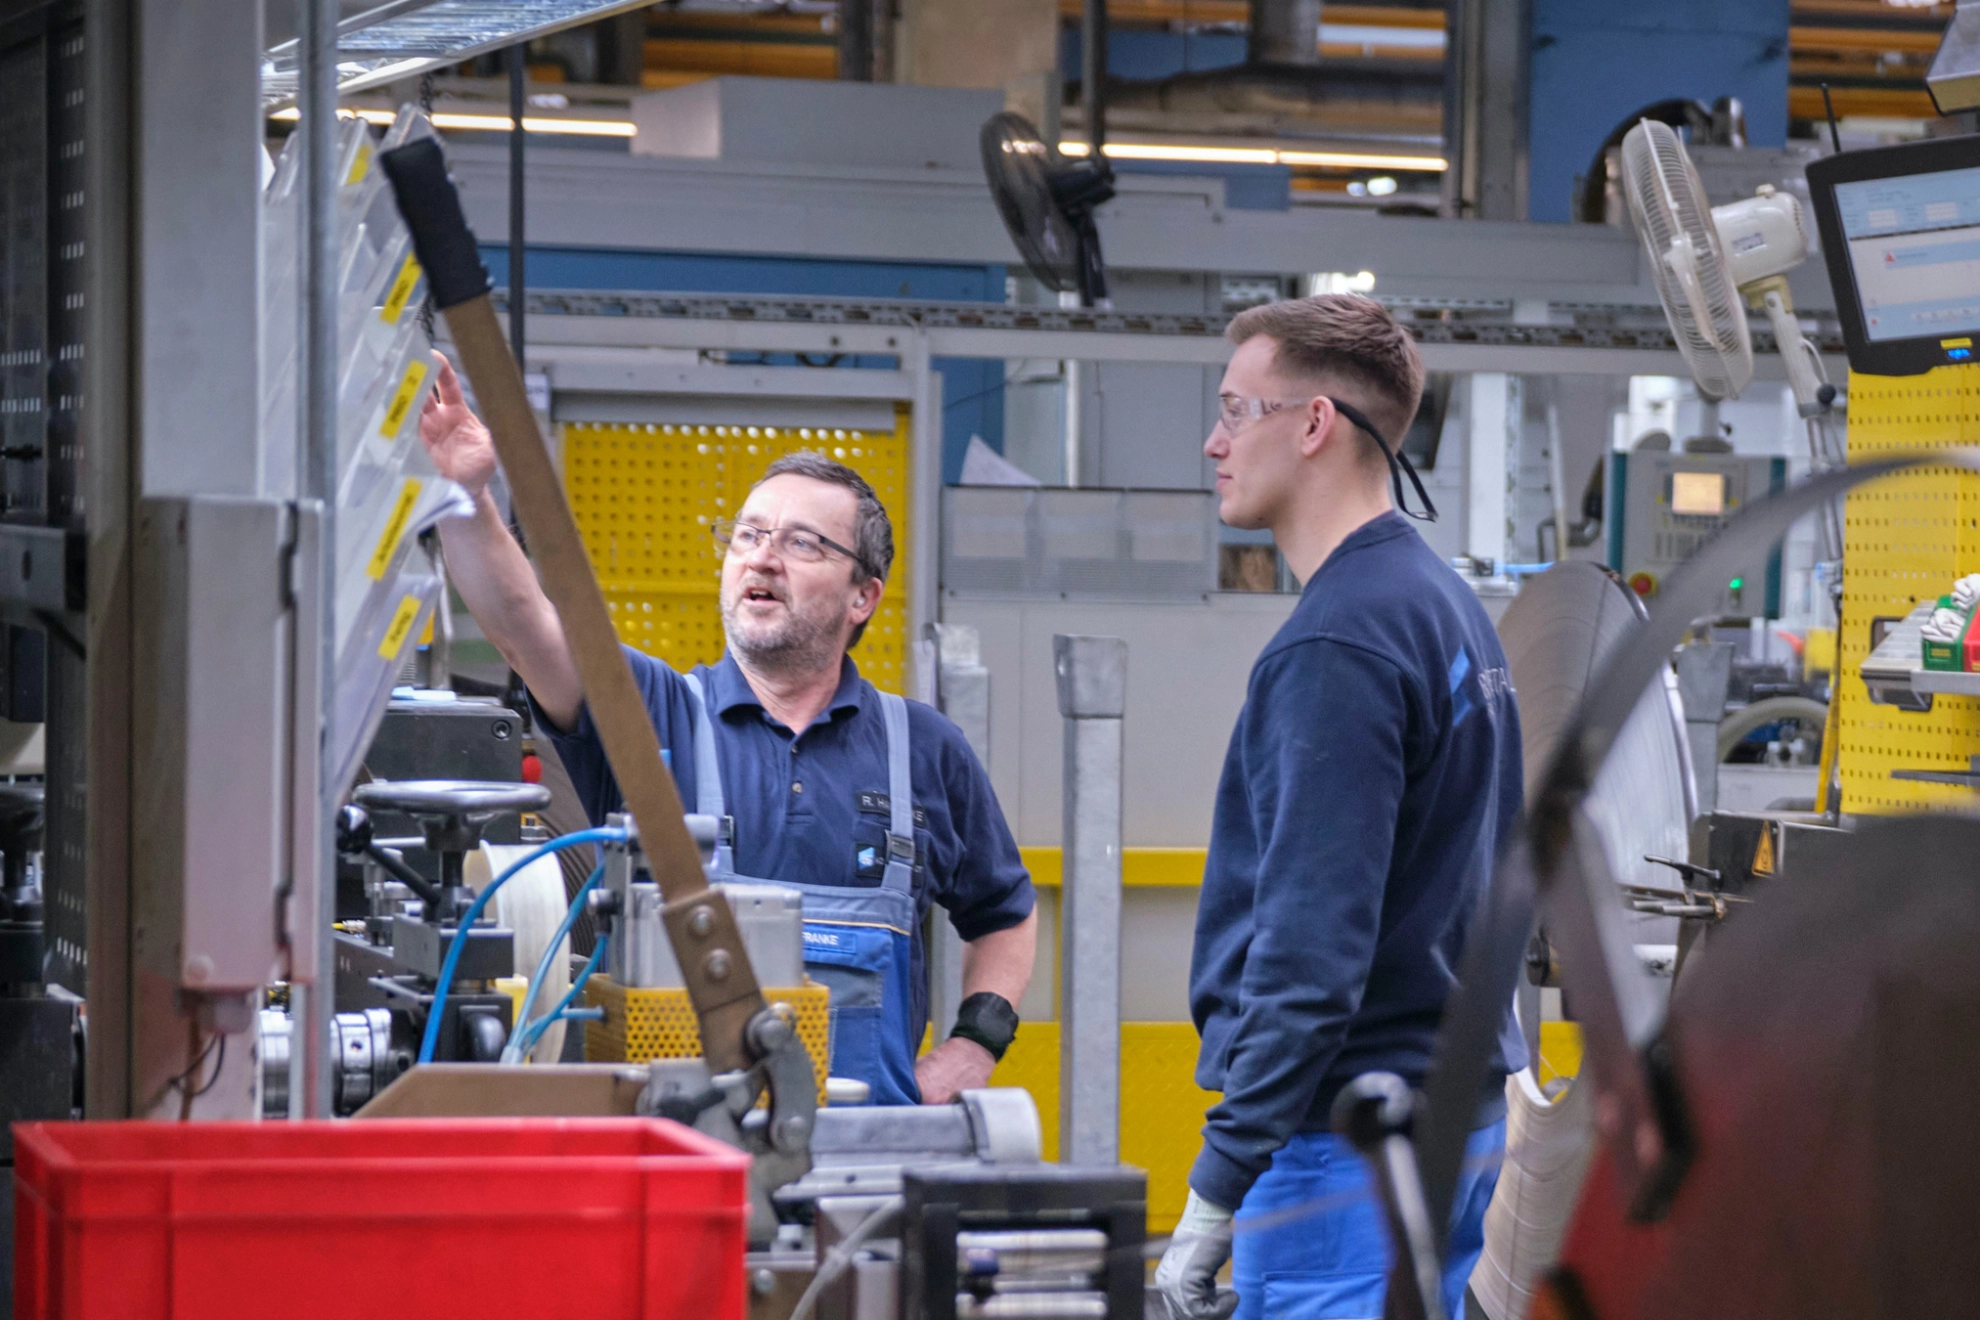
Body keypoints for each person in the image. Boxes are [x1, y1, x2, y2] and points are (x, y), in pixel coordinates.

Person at [417, 355, 1037, 1105]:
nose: (763, 557)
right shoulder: (657, 712)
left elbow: (1005, 915)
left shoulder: (925, 750)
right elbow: (525, 626)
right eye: (747, 535)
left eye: (804, 543)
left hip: (868, 1159)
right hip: (686, 1153)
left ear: (862, 597)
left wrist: (976, 1045)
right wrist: (465, 495)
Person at [1155, 295, 1527, 1320]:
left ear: (1314, 424)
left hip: (1345, 1147)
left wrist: (1218, 1187)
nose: (1213, 440)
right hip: (1452, 1119)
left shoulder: (1339, 644)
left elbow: (1310, 955)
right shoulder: (1441, 605)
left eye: (1236, 410)